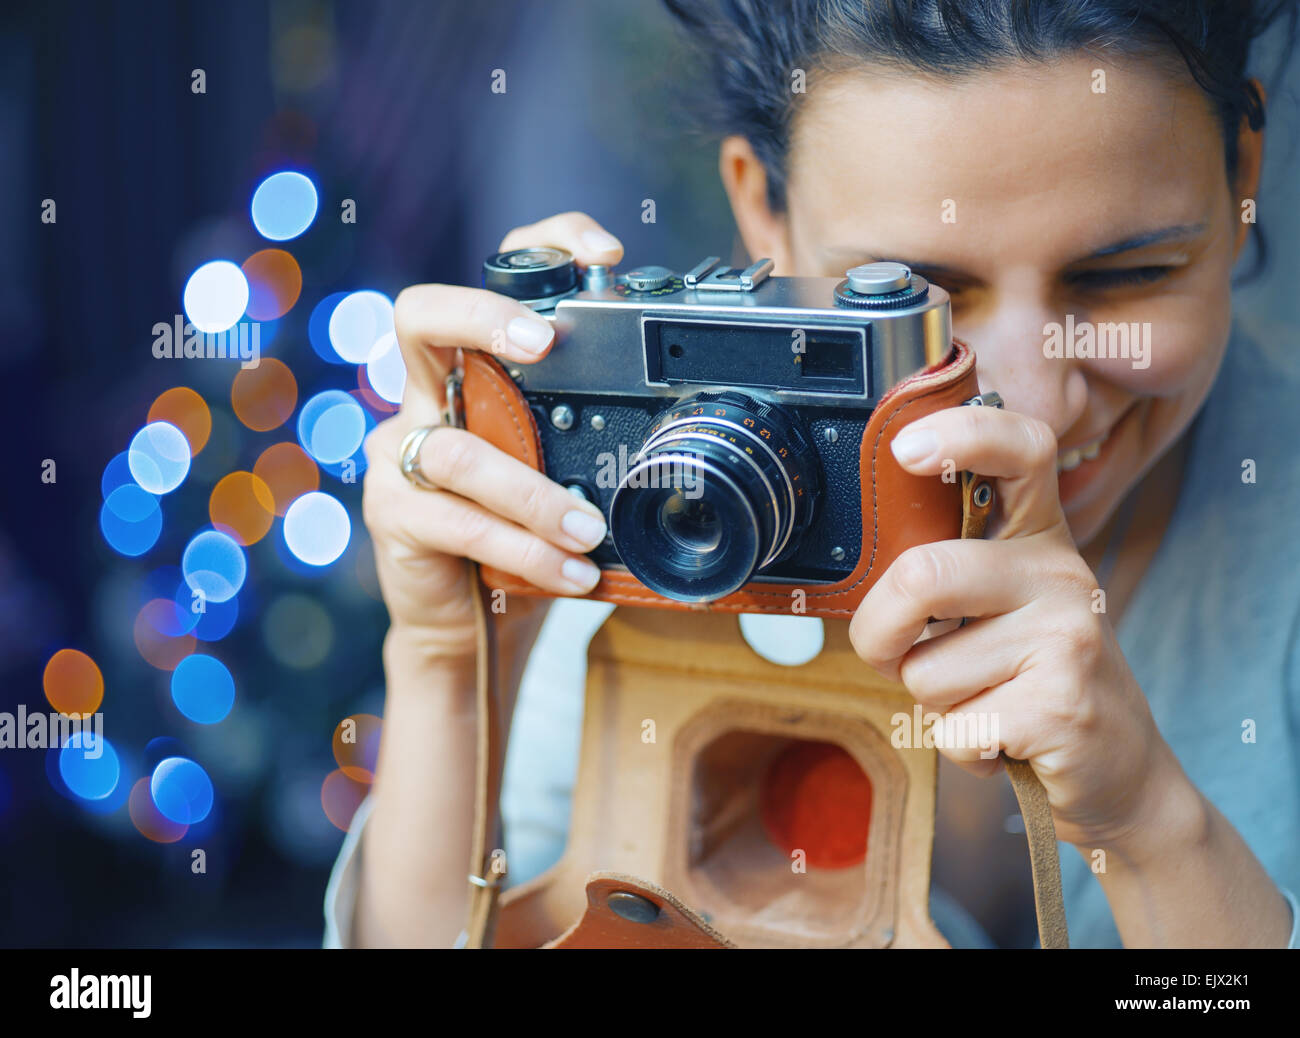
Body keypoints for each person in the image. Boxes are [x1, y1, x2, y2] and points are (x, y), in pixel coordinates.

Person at [326, 0, 1300, 948]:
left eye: (1125, 277)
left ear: (1240, 182)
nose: (1037, 404)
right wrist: (449, 670)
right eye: (917, 300)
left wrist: (1149, 828)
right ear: (762, 212)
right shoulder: (668, 511)